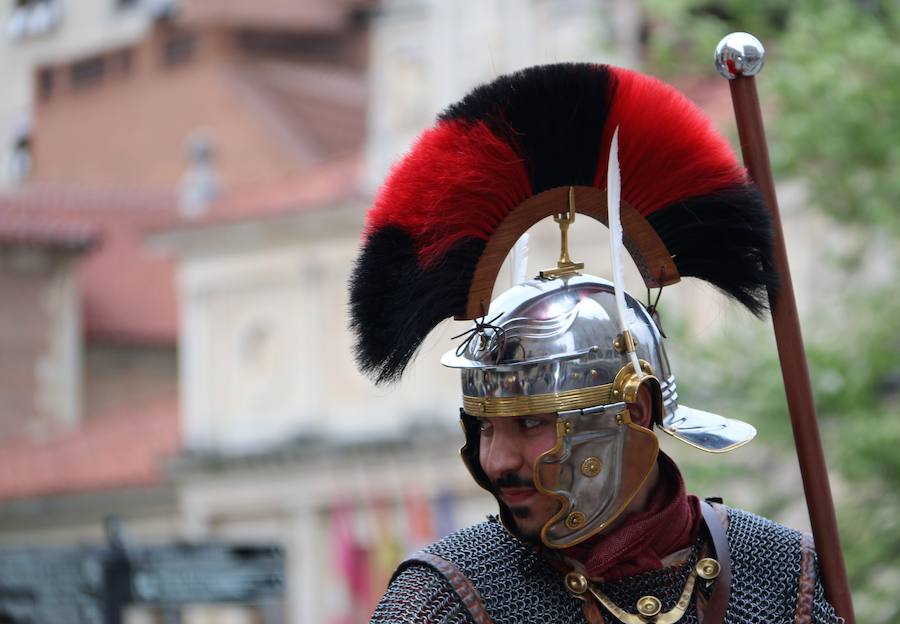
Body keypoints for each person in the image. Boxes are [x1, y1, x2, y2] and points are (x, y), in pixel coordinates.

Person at [350, 63, 841, 623]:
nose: (496, 460)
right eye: (485, 427)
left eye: (532, 422)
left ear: (634, 407)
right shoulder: (444, 600)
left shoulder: (778, 572)